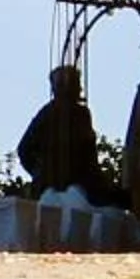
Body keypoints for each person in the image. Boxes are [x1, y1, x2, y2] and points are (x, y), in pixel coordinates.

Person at [16, 63, 102, 200]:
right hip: (54, 189)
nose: (80, 89)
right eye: (76, 84)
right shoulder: (49, 114)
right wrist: (41, 173)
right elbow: (23, 149)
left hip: (78, 188)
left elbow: (89, 154)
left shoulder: (81, 114)